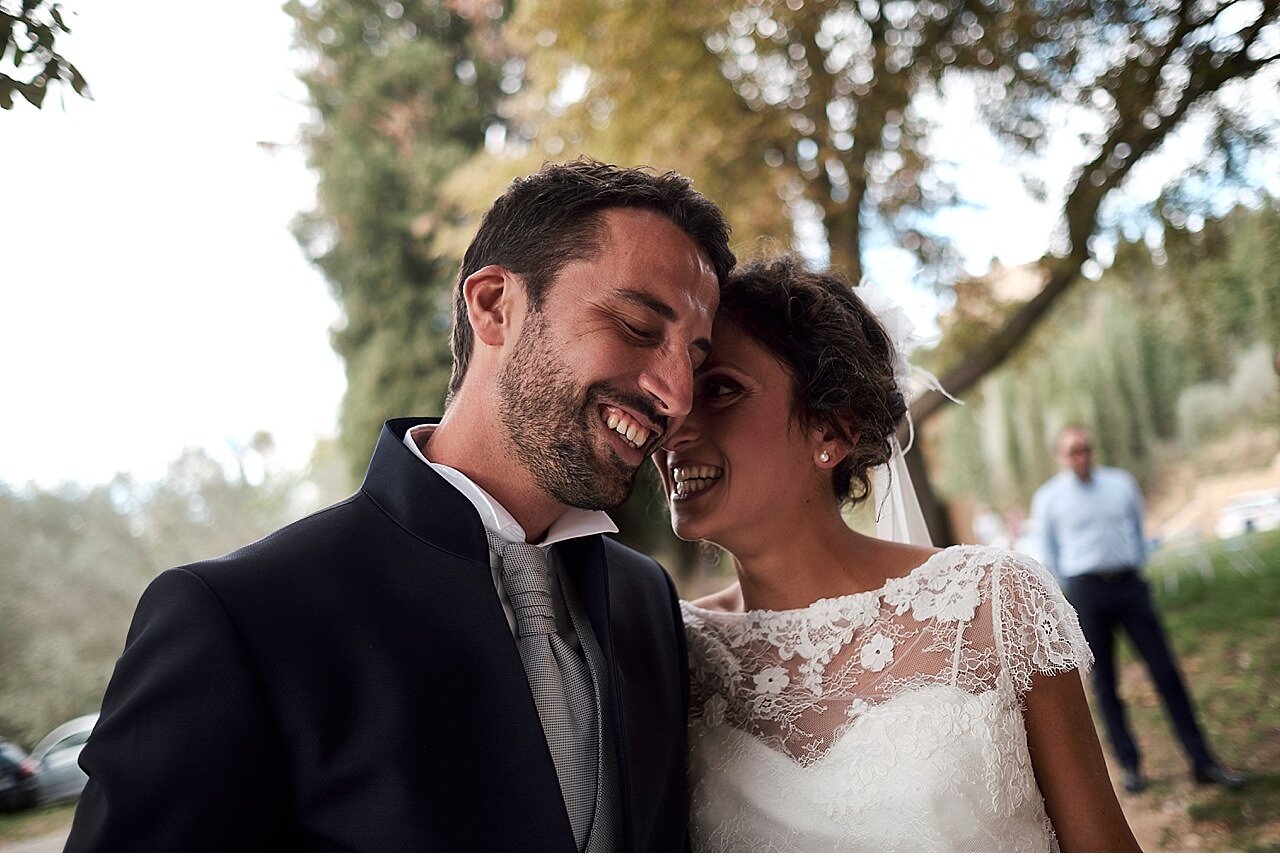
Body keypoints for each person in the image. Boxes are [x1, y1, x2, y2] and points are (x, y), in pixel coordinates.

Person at [66, 158, 736, 851]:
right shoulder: (237, 619)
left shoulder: (644, 598)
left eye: (695, 354)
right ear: (494, 305)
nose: (676, 394)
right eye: (634, 325)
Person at [654, 254, 1139, 851]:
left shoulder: (990, 603)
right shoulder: (668, 651)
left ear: (830, 430)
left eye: (721, 390)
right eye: (673, 397)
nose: (673, 427)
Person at [1031, 426, 1247, 794]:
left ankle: (1202, 761)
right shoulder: (1049, 499)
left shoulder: (1120, 483)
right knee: (1105, 684)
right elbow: (1049, 554)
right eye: (1073, 451)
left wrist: (1134, 564)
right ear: (1060, 456)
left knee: (1166, 672)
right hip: (1087, 592)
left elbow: (1135, 528)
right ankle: (1131, 766)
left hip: (1130, 586)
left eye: (1085, 448)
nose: (1081, 456)